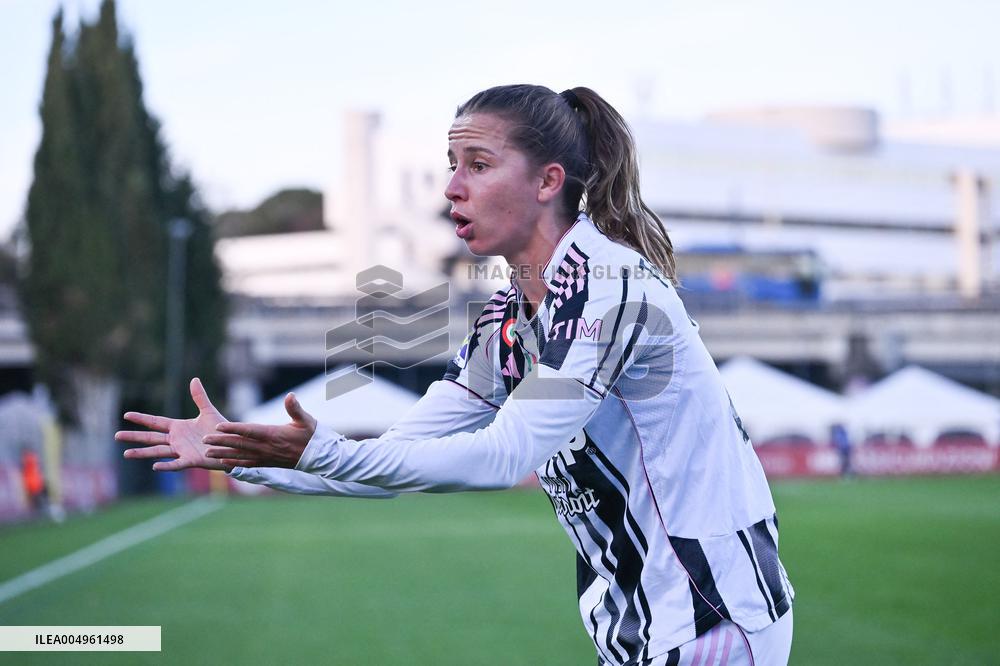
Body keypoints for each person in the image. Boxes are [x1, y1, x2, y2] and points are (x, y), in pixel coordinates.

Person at [117, 84, 794, 665]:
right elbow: (400, 455)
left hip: (712, 615)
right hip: (638, 627)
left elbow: (505, 455)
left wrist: (319, 449)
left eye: (477, 163)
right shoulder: (505, 318)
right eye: (451, 165)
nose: (451, 188)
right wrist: (246, 454)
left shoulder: (609, 290)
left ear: (547, 181)